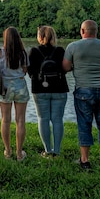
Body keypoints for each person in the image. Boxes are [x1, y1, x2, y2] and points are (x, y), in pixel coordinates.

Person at [63, 19, 100, 170]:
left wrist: (77, 65)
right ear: (96, 32)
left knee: (84, 125)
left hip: (83, 91)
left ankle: (85, 160)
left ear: (82, 31)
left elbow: (65, 67)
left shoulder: (73, 46)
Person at [27, 25, 69, 158]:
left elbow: (30, 72)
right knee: (57, 120)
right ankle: (56, 151)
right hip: (59, 89)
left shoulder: (33, 51)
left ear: (39, 37)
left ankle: (47, 151)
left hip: (40, 90)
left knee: (43, 119)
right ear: (53, 36)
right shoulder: (60, 51)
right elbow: (66, 69)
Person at [0, 26, 30, 161]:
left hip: (5, 88)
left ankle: (8, 151)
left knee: (5, 119)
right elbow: (25, 70)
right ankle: (19, 153)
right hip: (20, 86)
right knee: (20, 120)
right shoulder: (23, 53)